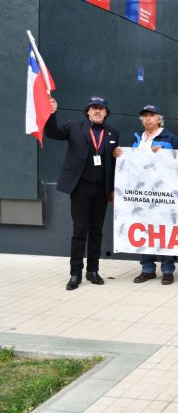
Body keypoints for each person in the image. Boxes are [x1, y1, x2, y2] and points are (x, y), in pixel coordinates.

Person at [44, 96, 120, 290]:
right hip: (80, 187)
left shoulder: (112, 133)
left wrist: (111, 189)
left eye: (101, 108)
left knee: (96, 231)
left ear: (106, 113)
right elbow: (52, 133)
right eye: (93, 108)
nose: (97, 111)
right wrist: (52, 113)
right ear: (87, 111)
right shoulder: (73, 126)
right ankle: (75, 273)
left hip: (101, 189)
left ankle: (93, 271)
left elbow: (113, 165)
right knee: (80, 231)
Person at [117, 104, 178, 285]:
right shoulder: (137, 139)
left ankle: (168, 270)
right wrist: (120, 155)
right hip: (142, 193)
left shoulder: (171, 138)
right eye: (145, 116)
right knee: (144, 228)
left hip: (164, 193)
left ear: (159, 119)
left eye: (151, 116)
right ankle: (147, 269)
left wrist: (165, 151)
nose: (148, 119)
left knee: (165, 230)